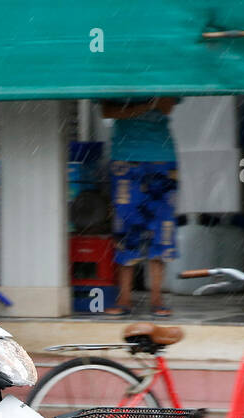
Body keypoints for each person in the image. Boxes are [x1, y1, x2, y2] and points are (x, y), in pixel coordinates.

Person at [100, 96, 179, 318]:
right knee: (125, 229)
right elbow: (107, 110)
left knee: (162, 230)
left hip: (162, 159)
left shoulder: (165, 72)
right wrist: (149, 105)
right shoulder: (114, 75)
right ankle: (125, 299)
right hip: (125, 158)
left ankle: (157, 299)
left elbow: (168, 106)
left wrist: (131, 108)